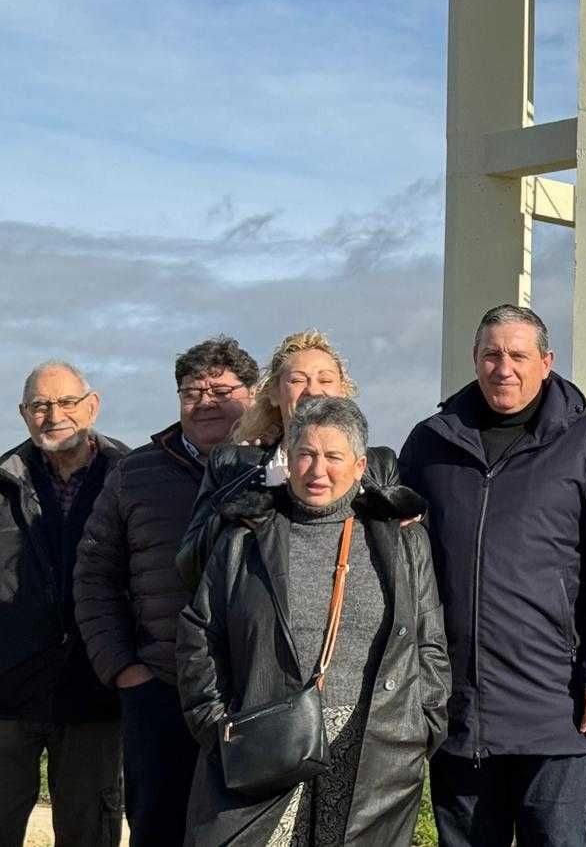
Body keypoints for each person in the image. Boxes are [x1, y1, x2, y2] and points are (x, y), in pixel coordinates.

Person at [401, 304, 586, 847]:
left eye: (517, 355)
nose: (503, 368)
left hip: (556, 707)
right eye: (491, 355)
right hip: (458, 707)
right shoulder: (431, 442)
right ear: (474, 359)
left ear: (546, 363)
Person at [177, 396, 449, 844]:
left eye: (333, 457)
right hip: (263, 742)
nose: (317, 470)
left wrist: (423, 724)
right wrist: (216, 723)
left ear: (360, 466)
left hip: (374, 749)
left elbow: (429, 640)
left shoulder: (404, 540)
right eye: (305, 454)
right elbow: (200, 634)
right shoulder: (245, 535)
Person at [75, 337, 259, 846]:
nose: (205, 402)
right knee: (157, 827)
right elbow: (94, 575)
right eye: (192, 392)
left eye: (221, 391)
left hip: (254, 692)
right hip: (160, 687)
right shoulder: (134, 473)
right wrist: (123, 668)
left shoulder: (282, 466)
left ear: (253, 392)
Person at [0, 361, 127, 847]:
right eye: (40, 405)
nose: (54, 415)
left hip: (95, 689)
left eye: (67, 402)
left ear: (91, 406)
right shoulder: (3, 480)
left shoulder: (130, 477)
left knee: (88, 831)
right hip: (7, 694)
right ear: (23, 414)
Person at [177, 329, 397, 589]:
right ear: (273, 393)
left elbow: (408, 556)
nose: (312, 390)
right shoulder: (233, 464)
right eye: (297, 380)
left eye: (325, 379)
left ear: (343, 391)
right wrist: (240, 505)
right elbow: (189, 565)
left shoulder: (380, 466)